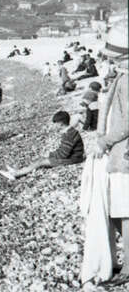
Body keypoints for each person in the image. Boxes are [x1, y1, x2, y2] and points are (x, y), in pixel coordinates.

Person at [93, 20, 129, 281]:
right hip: (120, 152)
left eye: (114, 58)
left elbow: (128, 122)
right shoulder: (122, 77)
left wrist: (104, 141)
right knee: (120, 212)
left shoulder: (127, 81)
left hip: (124, 154)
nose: (111, 63)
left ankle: (128, 267)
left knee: (124, 214)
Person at [0, 111, 84, 180]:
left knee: (41, 162)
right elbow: (64, 150)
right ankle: (19, 171)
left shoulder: (68, 134)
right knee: (41, 159)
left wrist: (50, 155)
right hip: (74, 156)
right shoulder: (70, 131)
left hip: (73, 159)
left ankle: (16, 174)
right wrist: (52, 154)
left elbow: (64, 154)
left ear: (60, 123)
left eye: (55, 123)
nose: (54, 126)